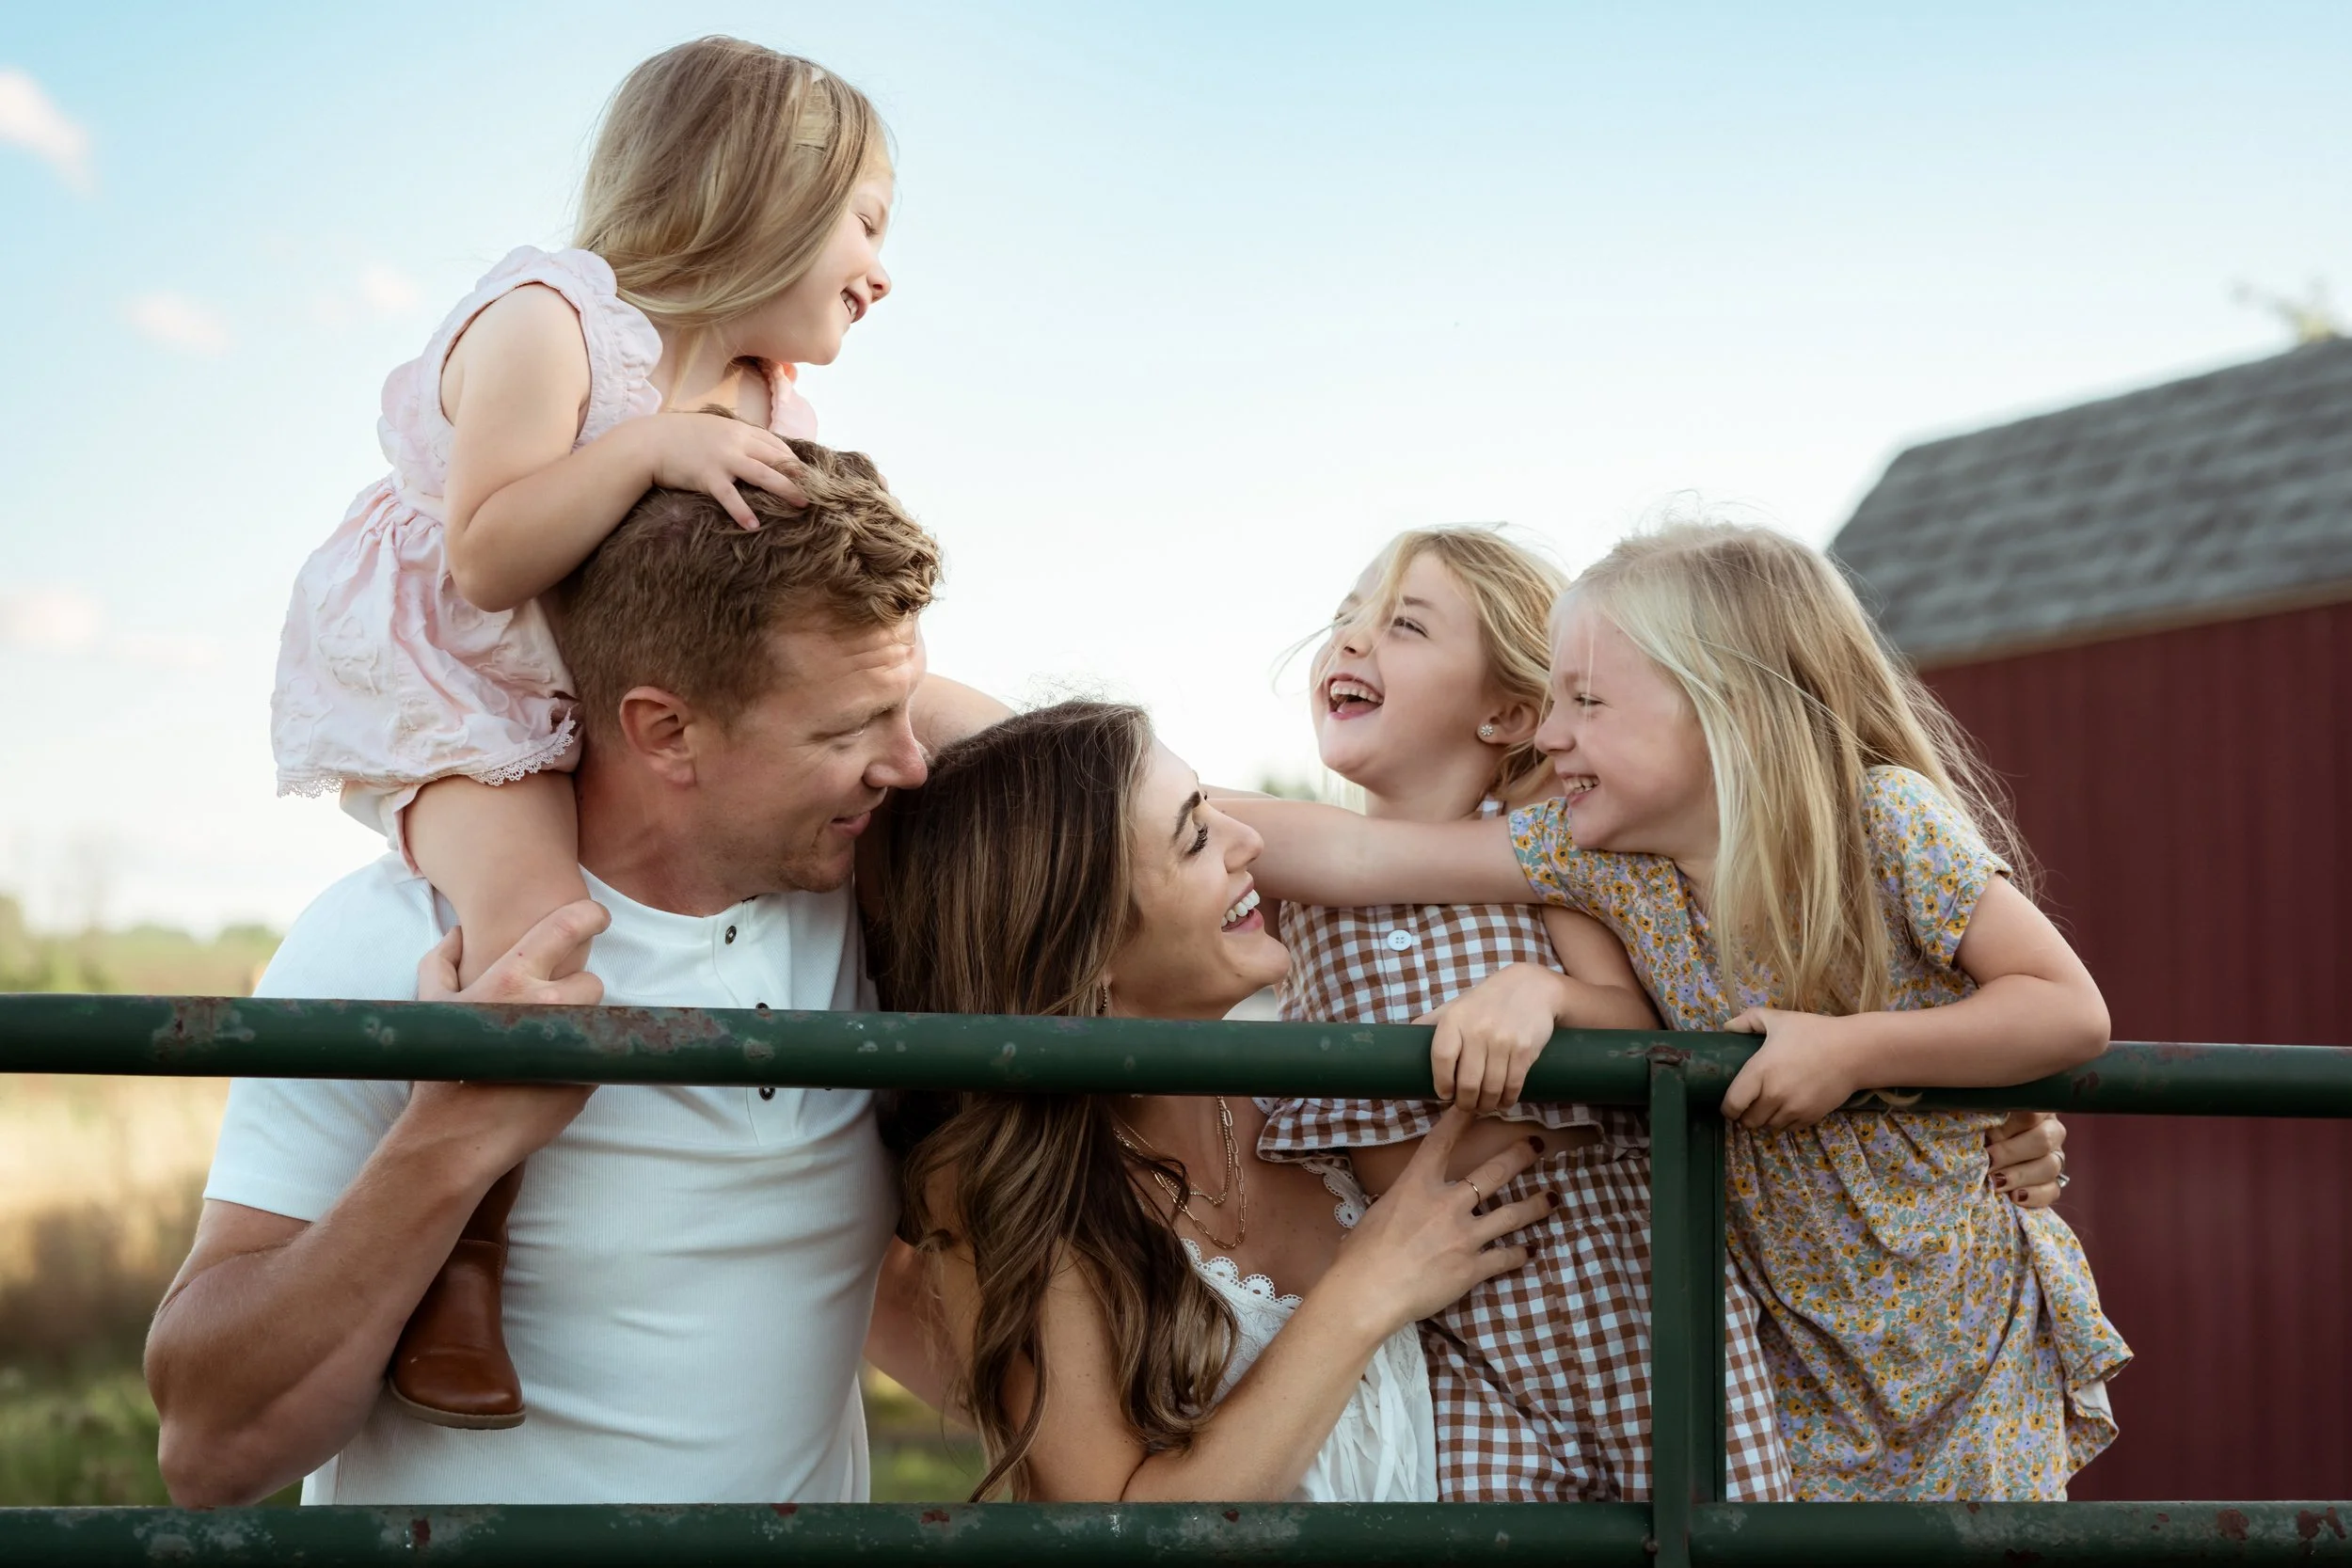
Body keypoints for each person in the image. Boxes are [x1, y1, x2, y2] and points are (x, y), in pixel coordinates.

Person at [149, 446, 993, 1505]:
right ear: (663, 729)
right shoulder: (399, 940)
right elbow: (208, 1451)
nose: (909, 761)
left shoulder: (871, 915)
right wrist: (450, 1140)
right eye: (847, 728)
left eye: (905, 706)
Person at [1226, 519, 2130, 1499]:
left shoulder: (1885, 819)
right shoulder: (1604, 864)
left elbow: (2066, 1007)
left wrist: (1854, 1050)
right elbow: (1351, 856)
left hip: (1960, 1344)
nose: (1550, 731)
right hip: (1787, 1357)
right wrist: (1092, 785)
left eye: (1588, 701)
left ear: (1723, 710)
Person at [267, 39, 899, 1425]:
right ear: (757, 195)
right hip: (456, 693)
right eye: (865, 220)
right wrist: (644, 451)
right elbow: (489, 554)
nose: (882, 267)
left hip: (599, 704)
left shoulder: (764, 395)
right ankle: (462, 1260)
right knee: (539, 925)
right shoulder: (554, 321)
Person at [863, 703, 1552, 1502]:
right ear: (1088, 954)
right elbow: (1118, 1529)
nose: (1249, 842)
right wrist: (1368, 1291)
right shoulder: (1013, 1186)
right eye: (1195, 837)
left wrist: (1548, 992)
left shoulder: (1322, 1107)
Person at [1257, 524, 1790, 1501]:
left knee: (1712, 1525)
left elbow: (1630, 1013)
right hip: (1445, 1320)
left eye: (1403, 625)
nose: (1350, 641)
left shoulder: (1547, 853)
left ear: (1507, 711)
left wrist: (1536, 990)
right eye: (1344, 619)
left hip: (1614, 1288)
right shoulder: (1294, 891)